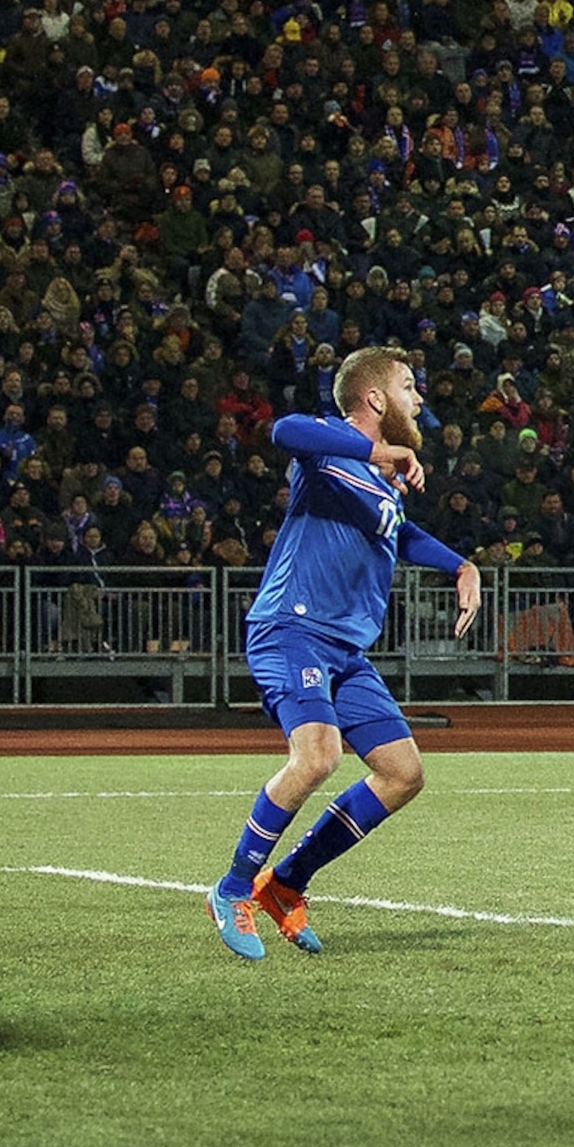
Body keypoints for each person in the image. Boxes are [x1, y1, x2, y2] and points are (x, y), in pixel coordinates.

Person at [207, 347, 483, 961]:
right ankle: (232, 888)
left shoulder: (383, 482)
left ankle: (285, 884)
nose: (419, 399)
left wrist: (460, 566)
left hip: (346, 650)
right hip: (292, 629)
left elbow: (398, 532)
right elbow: (283, 430)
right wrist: (380, 451)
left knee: (403, 773)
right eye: (408, 386)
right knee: (318, 756)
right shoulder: (329, 447)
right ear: (375, 398)